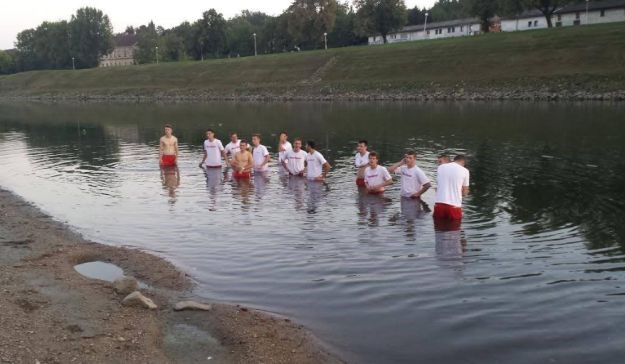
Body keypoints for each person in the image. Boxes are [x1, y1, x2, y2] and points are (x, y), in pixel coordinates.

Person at [434, 154, 470, 225]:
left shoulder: (440, 167)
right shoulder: (465, 171)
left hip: (439, 204)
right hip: (454, 206)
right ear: (463, 162)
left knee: (438, 231)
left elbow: (438, 186)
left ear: (455, 160)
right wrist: (462, 194)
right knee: (454, 232)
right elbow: (465, 191)